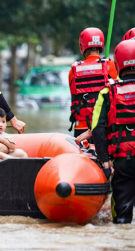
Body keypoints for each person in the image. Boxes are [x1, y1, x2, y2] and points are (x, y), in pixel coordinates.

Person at [91, 40, 135, 224]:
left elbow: (97, 128)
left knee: (122, 217)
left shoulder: (107, 92)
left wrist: (104, 159)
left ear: (117, 64)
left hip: (122, 161)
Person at [69, 28, 118, 141]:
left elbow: (74, 94)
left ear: (82, 46)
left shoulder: (73, 70)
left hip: (81, 128)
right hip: (103, 127)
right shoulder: (111, 66)